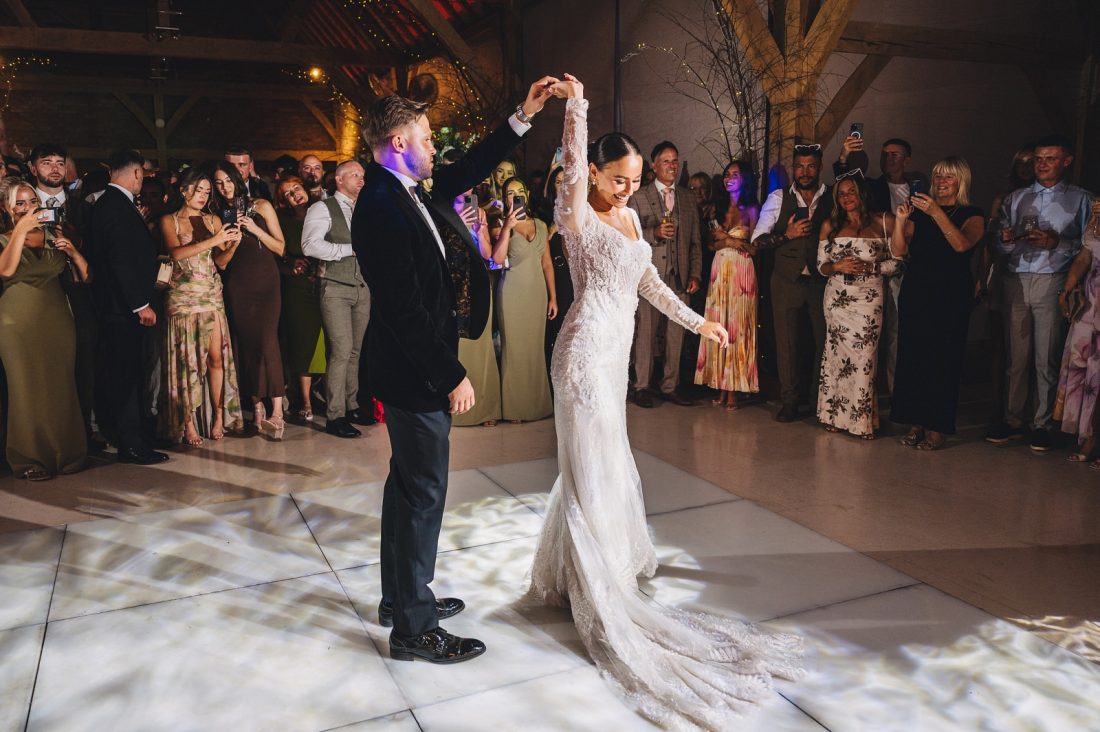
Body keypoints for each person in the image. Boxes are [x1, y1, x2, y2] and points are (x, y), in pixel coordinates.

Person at [528, 75, 801, 729]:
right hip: (582, 356)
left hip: (613, 358)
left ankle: (595, 568)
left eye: (634, 179)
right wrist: (578, 107)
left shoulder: (626, 218)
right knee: (590, 465)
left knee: (607, 460)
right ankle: (594, 591)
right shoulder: (578, 212)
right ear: (593, 173)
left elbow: (647, 282)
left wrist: (700, 322)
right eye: (618, 178)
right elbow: (574, 163)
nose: (628, 189)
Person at [353, 79, 558, 664]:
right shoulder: (381, 205)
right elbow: (403, 309)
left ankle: (400, 598)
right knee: (423, 494)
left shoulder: (407, 188)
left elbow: (469, 165)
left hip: (411, 368)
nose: (431, 147)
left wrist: (522, 115)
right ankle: (414, 629)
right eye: (422, 137)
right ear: (397, 142)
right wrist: (450, 374)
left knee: (406, 488)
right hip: (415, 371)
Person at [987, 134, 1092, 452]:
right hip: (1017, 278)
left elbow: (1089, 246)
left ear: (1066, 161)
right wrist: (1006, 239)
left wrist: (1056, 242)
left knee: (1045, 356)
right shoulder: (1017, 198)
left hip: (1053, 278)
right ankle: (1012, 419)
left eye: (1050, 158)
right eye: (1038, 159)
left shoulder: (1081, 198)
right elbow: (999, 243)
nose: (1042, 164)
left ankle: (1042, 423)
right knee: (1016, 356)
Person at [890, 158, 985, 450]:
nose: (941, 181)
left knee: (944, 359)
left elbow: (961, 245)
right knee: (913, 355)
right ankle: (915, 421)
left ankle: (937, 426)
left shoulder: (973, 214)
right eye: (938, 175)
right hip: (917, 289)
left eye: (949, 177)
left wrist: (937, 213)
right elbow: (897, 250)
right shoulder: (919, 213)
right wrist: (902, 220)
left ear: (961, 181)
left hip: (950, 294)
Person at [0, 180, 88, 479]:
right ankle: (29, 460)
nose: (27, 208)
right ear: (6, 207)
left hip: (57, 319)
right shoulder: (4, 239)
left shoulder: (54, 235)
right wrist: (21, 230)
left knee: (61, 385)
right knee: (25, 388)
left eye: (31, 201)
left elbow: (83, 275)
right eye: (19, 203)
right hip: (16, 322)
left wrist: (72, 250)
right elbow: (6, 270)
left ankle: (68, 453)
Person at [88, 149, 169, 465]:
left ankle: (130, 437)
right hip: (123, 309)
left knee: (127, 373)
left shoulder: (109, 203)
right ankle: (131, 444)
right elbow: (120, 260)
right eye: (144, 175)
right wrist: (140, 304)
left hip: (118, 307)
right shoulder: (115, 206)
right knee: (126, 376)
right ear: (136, 173)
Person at [159, 168, 245, 446]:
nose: (203, 196)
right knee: (187, 363)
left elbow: (220, 262)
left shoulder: (213, 219)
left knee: (215, 359)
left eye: (207, 191)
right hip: (182, 297)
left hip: (210, 294)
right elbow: (176, 253)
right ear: (184, 190)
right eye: (199, 190)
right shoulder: (168, 220)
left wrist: (232, 245)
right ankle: (188, 421)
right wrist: (215, 241)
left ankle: (219, 415)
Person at [817, 173, 904, 439]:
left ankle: (862, 419)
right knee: (836, 358)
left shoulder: (882, 222)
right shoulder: (830, 225)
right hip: (837, 300)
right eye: (841, 194)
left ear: (861, 194)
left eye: (851, 192)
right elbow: (821, 266)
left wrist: (872, 266)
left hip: (868, 301)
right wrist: (837, 266)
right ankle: (833, 415)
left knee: (864, 358)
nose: (846, 198)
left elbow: (898, 261)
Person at [751, 143, 833, 422]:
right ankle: (789, 401)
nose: (805, 171)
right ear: (793, 168)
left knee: (824, 341)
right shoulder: (778, 198)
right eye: (800, 166)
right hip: (786, 280)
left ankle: (817, 400)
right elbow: (757, 242)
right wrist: (786, 235)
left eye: (811, 166)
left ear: (819, 167)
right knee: (786, 343)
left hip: (822, 281)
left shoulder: (832, 197)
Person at [210, 161, 288, 439]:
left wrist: (254, 230)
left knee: (268, 341)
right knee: (246, 344)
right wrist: (230, 238)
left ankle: (277, 410)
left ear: (238, 180)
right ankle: (256, 407)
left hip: (266, 282)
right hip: (237, 283)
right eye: (218, 183)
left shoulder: (262, 206)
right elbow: (220, 260)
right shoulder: (216, 215)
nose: (224, 187)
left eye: (228, 181)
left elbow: (280, 247)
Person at [29, 143, 99, 447]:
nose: (55, 168)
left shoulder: (82, 207)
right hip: (35, 295)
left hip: (77, 293)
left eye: (60, 163)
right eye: (47, 163)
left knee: (83, 364)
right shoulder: (19, 205)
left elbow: (97, 253)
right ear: (34, 168)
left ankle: (82, 432)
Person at [302, 159, 374, 438]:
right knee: (341, 350)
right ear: (339, 179)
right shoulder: (322, 207)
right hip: (334, 286)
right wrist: (350, 249)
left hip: (362, 286)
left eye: (363, 175)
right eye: (355, 175)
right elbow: (309, 245)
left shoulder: (365, 209)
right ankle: (335, 415)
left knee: (355, 349)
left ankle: (352, 404)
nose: (361, 180)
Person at [627, 141, 703, 407]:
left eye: (675, 161)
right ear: (654, 165)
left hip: (679, 275)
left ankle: (670, 385)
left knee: (676, 333)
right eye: (666, 161)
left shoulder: (687, 197)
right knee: (646, 331)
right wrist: (654, 233)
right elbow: (629, 237)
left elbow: (695, 241)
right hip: (649, 276)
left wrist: (695, 274)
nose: (671, 166)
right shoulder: (638, 196)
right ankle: (642, 386)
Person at [694, 160, 760, 409]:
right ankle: (719, 384)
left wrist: (733, 243)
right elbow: (710, 245)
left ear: (745, 179)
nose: (729, 178)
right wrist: (729, 243)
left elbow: (754, 248)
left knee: (738, 326)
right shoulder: (716, 209)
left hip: (742, 272)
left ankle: (734, 388)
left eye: (735, 174)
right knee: (719, 323)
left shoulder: (752, 210)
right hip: (719, 269)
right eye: (726, 174)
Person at [977, 146, 1036, 422]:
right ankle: (996, 405)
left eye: (1029, 163)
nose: (1024, 168)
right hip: (1004, 272)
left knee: (1028, 348)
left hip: (1035, 273)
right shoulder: (1003, 198)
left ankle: (1024, 410)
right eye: (1020, 164)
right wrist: (982, 277)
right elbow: (989, 242)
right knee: (999, 344)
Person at [492, 175, 556, 422]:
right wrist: (507, 227)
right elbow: (497, 260)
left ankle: (537, 406)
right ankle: (515, 409)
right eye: (510, 193)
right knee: (515, 351)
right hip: (511, 295)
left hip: (537, 294)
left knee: (534, 350)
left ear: (527, 195)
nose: (515, 196)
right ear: (504, 198)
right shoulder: (499, 224)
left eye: (519, 191)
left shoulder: (540, 224)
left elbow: (547, 263)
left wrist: (553, 297)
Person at [450, 183, 503, 428]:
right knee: (456, 343)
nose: (468, 189)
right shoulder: (445, 209)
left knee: (481, 343)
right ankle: (455, 404)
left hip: (476, 281)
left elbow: (487, 253)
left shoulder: (480, 212)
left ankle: (482, 407)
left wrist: (480, 231)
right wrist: (456, 223)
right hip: (452, 281)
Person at [276, 175, 326, 422]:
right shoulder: (284, 224)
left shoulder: (325, 213)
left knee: (327, 341)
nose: (294, 194)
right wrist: (289, 264)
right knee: (302, 344)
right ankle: (305, 400)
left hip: (326, 286)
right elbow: (276, 258)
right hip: (297, 289)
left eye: (296, 188)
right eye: (287, 193)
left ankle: (326, 394)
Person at [1054, 198, 1100, 465]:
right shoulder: (1096, 214)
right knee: (1086, 372)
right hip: (1091, 302)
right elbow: (1085, 255)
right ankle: (1087, 435)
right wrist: (1067, 288)